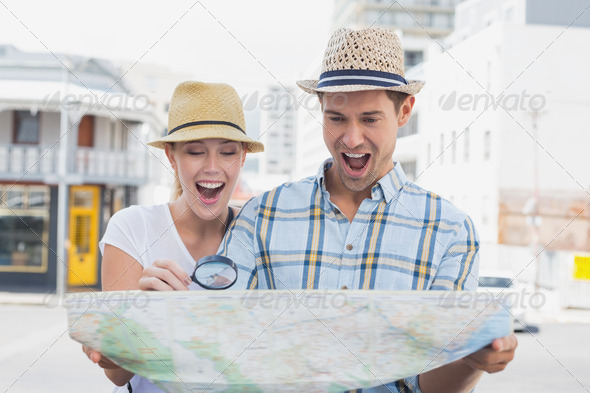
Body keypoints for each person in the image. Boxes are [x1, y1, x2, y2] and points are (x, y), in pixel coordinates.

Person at [218, 28, 517, 392]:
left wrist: (473, 357)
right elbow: (221, 343)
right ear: (321, 111)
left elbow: (430, 381)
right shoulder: (262, 216)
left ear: (404, 111)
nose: (352, 138)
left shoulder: (449, 231)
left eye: (370, 119)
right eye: (337, 118)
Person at [82, 81, 264, 392]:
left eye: (227, 152)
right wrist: (143, 317)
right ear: (171, 156)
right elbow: (117, 375)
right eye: (195, 152)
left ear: (243, 157)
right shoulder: (132, 227)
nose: (212, 167)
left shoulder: (259, 233)